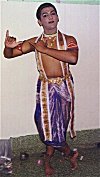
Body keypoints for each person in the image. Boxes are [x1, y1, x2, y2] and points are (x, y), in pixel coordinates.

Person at [4, 3, 79, 176]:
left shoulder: (69, 39)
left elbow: (73, 58)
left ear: (58, 17)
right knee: (44, 123)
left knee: (60, 124)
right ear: (39, 22)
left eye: (53, 13)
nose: (50, 17)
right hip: (46, 87)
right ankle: (67, 153)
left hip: (65, 87)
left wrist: (45, 49)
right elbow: (10, 55)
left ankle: (51, 154)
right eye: (45, 15)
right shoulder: (35, 42)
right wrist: (8, 47)